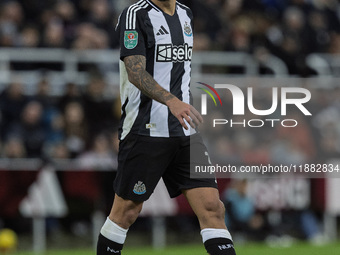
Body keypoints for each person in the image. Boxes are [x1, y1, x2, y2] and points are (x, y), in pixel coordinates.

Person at [96, 1, 236, 254]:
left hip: (185, 131)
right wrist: (172, 101)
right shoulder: (135, 14)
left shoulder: (185, 13)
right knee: (126, 212)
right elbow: (135, 72)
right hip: (145, 129)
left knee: (212, 208)